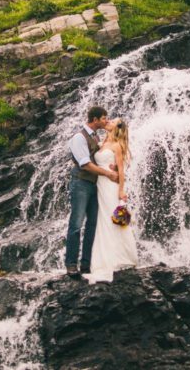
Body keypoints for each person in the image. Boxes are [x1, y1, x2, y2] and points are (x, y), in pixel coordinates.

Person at [65, 106, 118, 279]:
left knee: (93, 224)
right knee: (76, 224)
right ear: (95, 120)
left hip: (95, 185)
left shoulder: (96, 137)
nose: (106, 121)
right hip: (80, 183)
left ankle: (86, 264)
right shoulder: (79, 137)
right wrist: (108, 174)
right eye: (103, 118)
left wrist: (113, 166)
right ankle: (71, 264)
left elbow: (103, 157)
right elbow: (85, 164)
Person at [84, 118, 138, 284]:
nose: (109, 121)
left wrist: (121, 190)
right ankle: (102, 259)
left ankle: (120, 256)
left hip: (110, 187)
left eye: (113, 121)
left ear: (117, 128)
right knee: (101, 221)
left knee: (112, 220)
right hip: (99, 184)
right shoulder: (100, 142)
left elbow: (121, 170)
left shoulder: (116, 146)